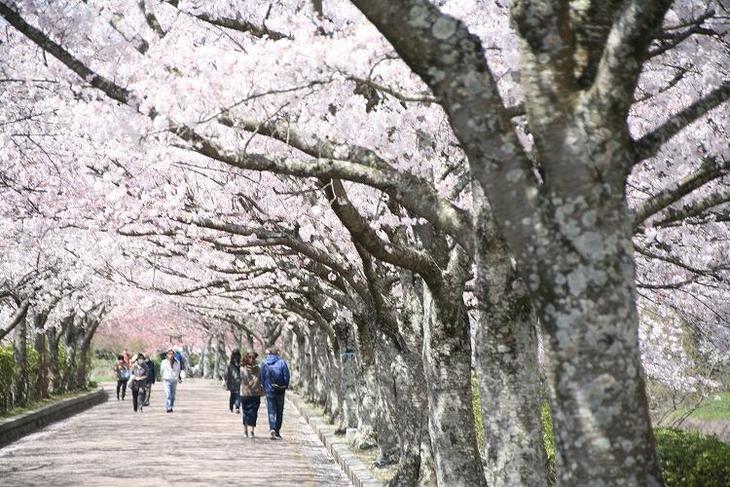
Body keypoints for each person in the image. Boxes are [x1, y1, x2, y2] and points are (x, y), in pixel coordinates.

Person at [260, 348, 290, 440]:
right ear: (277, 353)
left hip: (269, 390)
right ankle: (277, 431)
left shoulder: (264, 363)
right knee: (279, 411)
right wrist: (285, 385)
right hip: (280, 390)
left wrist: (264, 387)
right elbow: (286, 376)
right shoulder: (282, 362)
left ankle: (272, 428)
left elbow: (262, 377)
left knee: (271, 411)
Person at [240, 352, 263, 438]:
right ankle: (251, 431)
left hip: (245, 393)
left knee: (245, 412)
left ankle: (245, 430)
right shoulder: (259, 369)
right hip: (255, 393)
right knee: (254, 412)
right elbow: (261, 379)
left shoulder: (242, 369)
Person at [161, 348, 181, 413]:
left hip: (174, 380)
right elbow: (161, 371)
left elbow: (178, 371)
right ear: (167, 355)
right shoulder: (164, 362)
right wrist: (163, 376)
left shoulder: (177, 362)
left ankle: (171, 406)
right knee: (168, 394)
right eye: (169, 354)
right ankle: (168, 407)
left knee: (173, 396)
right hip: (166, 380)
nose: (171, 355)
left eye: (172, 354)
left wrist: (178, 378)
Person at [224, 350, 242, 414]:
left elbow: (226, 374)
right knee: (235, 394)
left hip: (236, 382)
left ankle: (236, 407)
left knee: (236, 394)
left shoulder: (239, 364)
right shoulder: (230, 365)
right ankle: (233, 406)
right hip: (234, 382)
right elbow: (226, 374)